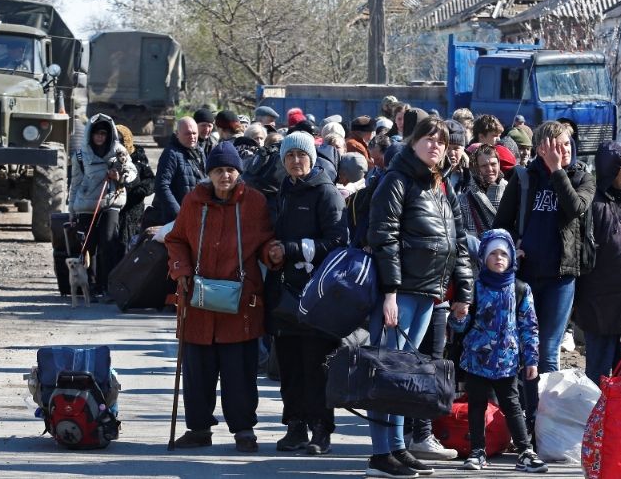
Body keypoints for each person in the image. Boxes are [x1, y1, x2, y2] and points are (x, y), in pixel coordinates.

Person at [366, 118, 474, 478]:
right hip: (402, 293)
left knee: (406, 375)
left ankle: (398, 447)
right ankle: (381, 454)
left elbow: (457, 241)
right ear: (413, 143)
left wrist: (462, 291)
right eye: (428, 139)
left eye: (441, 141)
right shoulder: (397, 180)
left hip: (430, 292)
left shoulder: (441, 185)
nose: (435, 146)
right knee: (389, 373)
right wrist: (390, 292)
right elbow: (384, 237)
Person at [165, 142, 279, 453]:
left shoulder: (253, 202)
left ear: (238, 173)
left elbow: (266, 240)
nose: (225, 175)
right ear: (209, 174)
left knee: (239, 372)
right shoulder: (194, 201)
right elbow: (176, 239)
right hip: (198, 301)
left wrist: (273, 254)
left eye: (230, 170)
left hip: (240, 301)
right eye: (218, 170)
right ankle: (199, 429)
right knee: (198, 371)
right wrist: (181, 270)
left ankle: (244, 431)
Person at [492, 120, 594, 427]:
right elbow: (501, 224)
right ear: (540, 149)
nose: (563, 151)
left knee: (548, 350)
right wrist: (512, 247)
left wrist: (557, 171)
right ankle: (520, 418)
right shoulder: (523, 178)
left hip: (561, 277)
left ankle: (543, 424)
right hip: (525, 278)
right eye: (555, 146)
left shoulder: (581, 177)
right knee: (523, 349)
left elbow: (575, 208)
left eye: (566, 145)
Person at [266, 131, 348, 456]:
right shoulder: (284, 190)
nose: (296, 162)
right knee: (289, 367)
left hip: (318, 296)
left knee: (316, 367)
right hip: (286, 293)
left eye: (301, 156)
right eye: (289, 157)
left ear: (311, 159)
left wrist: (292, 249)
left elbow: (339, 241)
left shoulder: (326, 192)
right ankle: (295, 425)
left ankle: (321, 430)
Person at [450, 229, 548, 473]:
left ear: (512, 258)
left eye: (503, 253)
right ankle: (477, 450)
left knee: (513, 405)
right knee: (476, 405)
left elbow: (529, 326)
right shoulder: (475, 287)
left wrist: (532, 359)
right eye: (493, 253)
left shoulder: (520, 289)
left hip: (507, 360)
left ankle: (525, 450)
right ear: (483, 257)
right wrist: (458, 316)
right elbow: (460, 326)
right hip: (476, 358)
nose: (498, 258)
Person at [574, 141, 621, 386]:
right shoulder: (594, 205)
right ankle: (596, 424)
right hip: (600, 308)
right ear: (608, 169)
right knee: (598, 378)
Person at [69, 114, 137, 296]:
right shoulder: (80, 156)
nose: (100, 137)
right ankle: (89, 286)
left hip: (111, 203)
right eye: (96, 133)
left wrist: (120, 177)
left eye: (103, 133)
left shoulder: (119, 152)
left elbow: (132, 172)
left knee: (108, 243)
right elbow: (74, 184)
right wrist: (71, 212)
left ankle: (107, 286)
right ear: (90, 134)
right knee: (87, 248)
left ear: (109, 135)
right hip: (85, 206)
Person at [152, 116, 205, 225]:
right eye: (188, 134)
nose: (192, 137)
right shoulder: (171, 154)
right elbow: (161, 186)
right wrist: (179, 213)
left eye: (194, 133)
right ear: (177, 134)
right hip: (175, 220)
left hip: (196, 216)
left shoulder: (199, 152)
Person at [115, 124, 155, 248]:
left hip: (134, 211)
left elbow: (150, 179)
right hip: (112, 210)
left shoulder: (138, 157)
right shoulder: (108, 157)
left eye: (121, 140)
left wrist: (141, 190)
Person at [460, 144, 507, 238]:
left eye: (493, 164)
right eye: (484, 166)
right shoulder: (464, 200)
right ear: (477, 168)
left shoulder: (511, 191)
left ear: (499, 164)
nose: (489, 169)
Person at [444, 119, 471, 195]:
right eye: (448, 148)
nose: (452, 153)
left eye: (456, 148)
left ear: (463, 149)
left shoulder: (471, 173)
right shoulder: (433, 173)